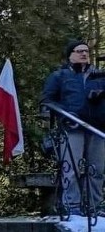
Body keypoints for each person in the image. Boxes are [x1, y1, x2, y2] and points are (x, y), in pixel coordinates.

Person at [40, 40, 105, 216]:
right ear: (70, 54)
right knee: (71, 169)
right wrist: (65, 114)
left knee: (97, 170)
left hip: (97, 129)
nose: (84, 54)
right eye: (79, 51)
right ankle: (72, 207)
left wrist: (99, 96)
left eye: (86, 51)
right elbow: (47, 101)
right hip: (71, 128)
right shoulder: (59, 76)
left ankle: (95, 207)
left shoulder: (100, 76)